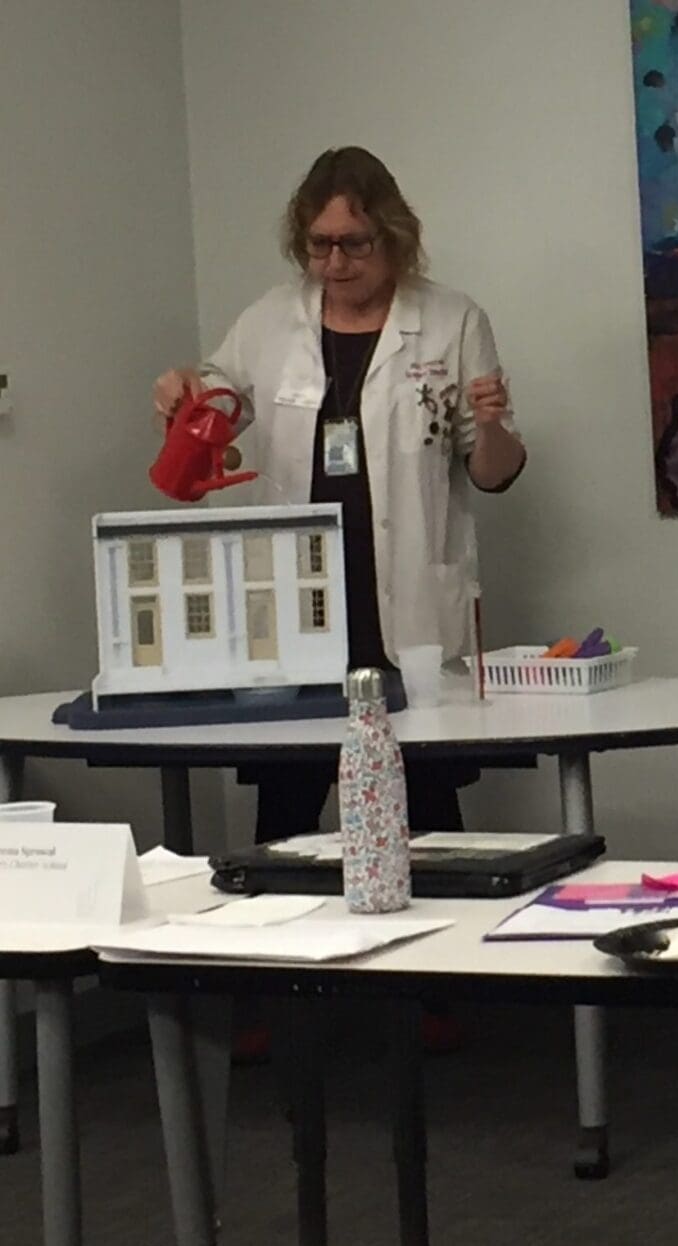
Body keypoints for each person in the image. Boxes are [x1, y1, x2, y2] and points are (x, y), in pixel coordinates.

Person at [151, 146, 527, 840]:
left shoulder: (452, 320)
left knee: (428, 828)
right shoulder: (271, 320)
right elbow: (218, 401)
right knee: (286, 826)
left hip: (406, 620)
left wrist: (495, 421)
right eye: (319, 245)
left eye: (354, 243)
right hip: (298, 613)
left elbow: (493, 471)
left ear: (393, 235)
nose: (335, 262)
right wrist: (182, 393)